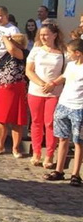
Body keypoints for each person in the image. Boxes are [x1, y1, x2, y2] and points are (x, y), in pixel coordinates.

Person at [25, 23, 66, 168]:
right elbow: (29, 70)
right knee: (36, 122)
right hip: (36, 91)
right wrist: (42, 84)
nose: (43, 37)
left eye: (46, 34)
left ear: (54, 35)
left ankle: (49, 154)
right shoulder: (36, 51)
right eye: (41, 34)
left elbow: (66, 73)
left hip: (54, 92)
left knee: (50, 123)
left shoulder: (62, 52)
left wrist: (53, 84)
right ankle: (36, 152)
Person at [43, 39, 83, 185]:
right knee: (62, 138)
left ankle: (76, 174)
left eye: (70, 52)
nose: (68, 54)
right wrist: (53, 83)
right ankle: (59, 170)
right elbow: (64, 77)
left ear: (77, 53)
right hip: (64, 104)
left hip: (79, 107)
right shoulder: (71, 65)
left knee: (79, 141)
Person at [0, 33, 29, 157]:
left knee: (16, 120)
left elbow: (12, 49)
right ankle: (0, 146)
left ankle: (15, 148)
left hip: (16, 89)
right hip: (2, 89)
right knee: (1, 119)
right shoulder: (6, 54)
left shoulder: (23, 53)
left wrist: (5, 37)